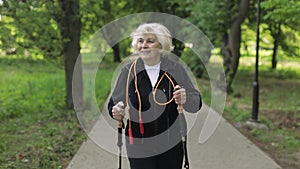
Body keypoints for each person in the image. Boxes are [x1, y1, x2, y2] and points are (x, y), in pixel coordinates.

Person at [108, 23, 202, 169]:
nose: (143, 45)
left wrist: (186, 98)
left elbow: (196, 103)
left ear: (161, 45)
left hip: (171, 142)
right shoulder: (128, 71)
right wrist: (117, 109)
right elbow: (114, 103)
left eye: (150, 41)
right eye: (140, 41)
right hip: (139, 143)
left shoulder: (175, 69)